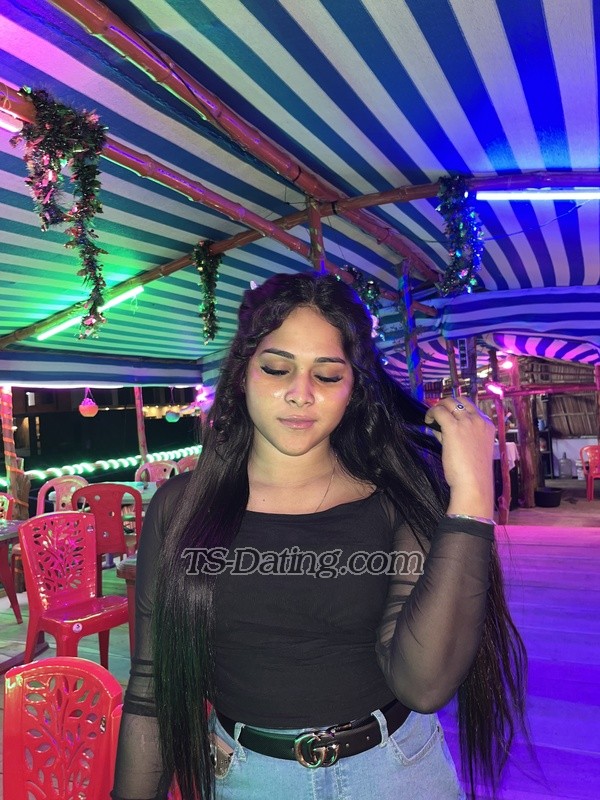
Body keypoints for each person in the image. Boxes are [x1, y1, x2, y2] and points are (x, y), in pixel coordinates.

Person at [112, 272, 527, 800]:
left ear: (353, 389)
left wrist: (471, 495)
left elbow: (424, 684)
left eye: (327, 375)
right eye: (276, 368)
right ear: (242, 374)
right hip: (248, 780)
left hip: (396, 773)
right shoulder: (180, 508)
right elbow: (153, 688)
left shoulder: (395, 497)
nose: (300, 394)